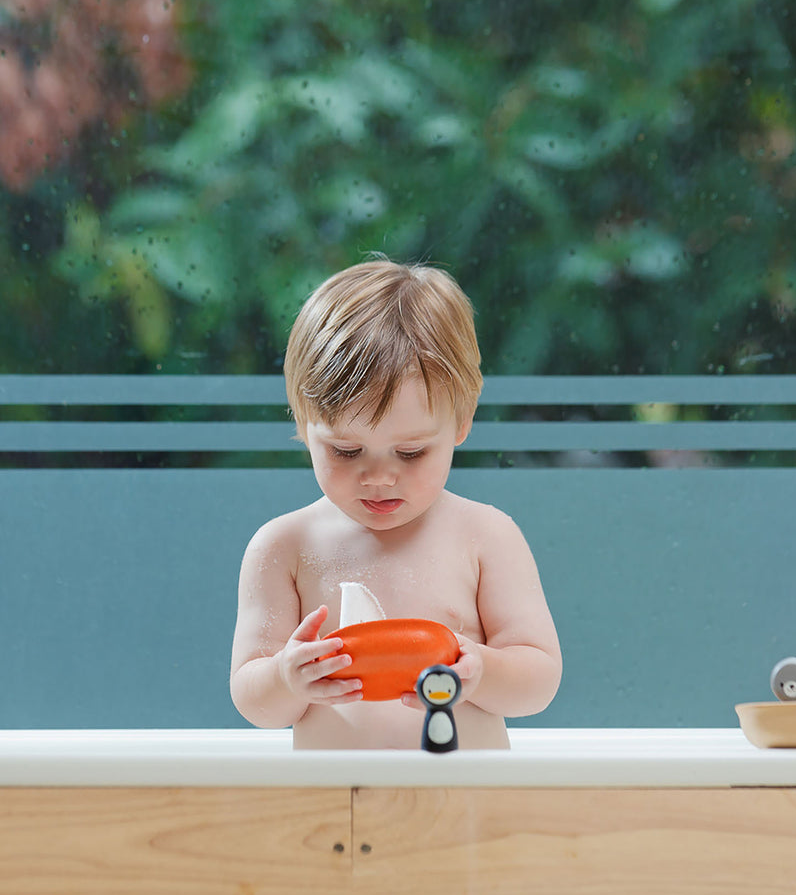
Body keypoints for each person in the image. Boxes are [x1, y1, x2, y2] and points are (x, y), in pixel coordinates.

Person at [229, 259, 561, 749]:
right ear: (303, 425)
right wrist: (284, 678)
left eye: (411, 452)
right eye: (346, 451)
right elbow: (252, 700)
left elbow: (539, 681)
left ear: (461, 422)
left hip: (464, 790)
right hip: (336, 793)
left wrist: (482, 670)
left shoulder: (485, 536)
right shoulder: (285, 546)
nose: (379, 477)